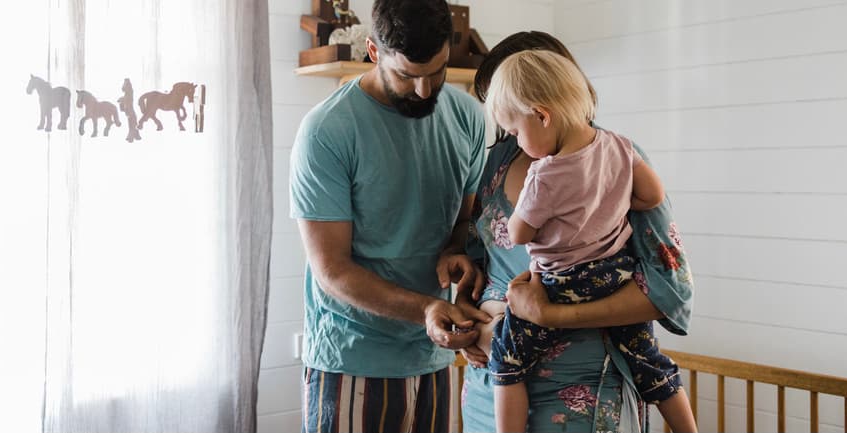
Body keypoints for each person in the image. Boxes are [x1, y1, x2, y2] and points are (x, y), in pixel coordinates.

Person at [458, 31, 696, 433]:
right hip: (490, 391)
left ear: (542, 105)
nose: (506, 130)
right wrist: (466, 313)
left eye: (511, 113)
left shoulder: (617, 157)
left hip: (583, 391)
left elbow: (669, 289)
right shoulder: (498, 161)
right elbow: (480, 257)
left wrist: (551, 315)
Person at [289, 0, 490, 431]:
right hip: (351, 360)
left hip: (434, 357)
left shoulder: (469, 116)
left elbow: (464, 222)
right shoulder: (327, 131)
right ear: (373, 51)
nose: (423, 90)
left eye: (435, 72)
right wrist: (426, 310)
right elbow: (332, 270)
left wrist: (458, 251)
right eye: (406, 75)